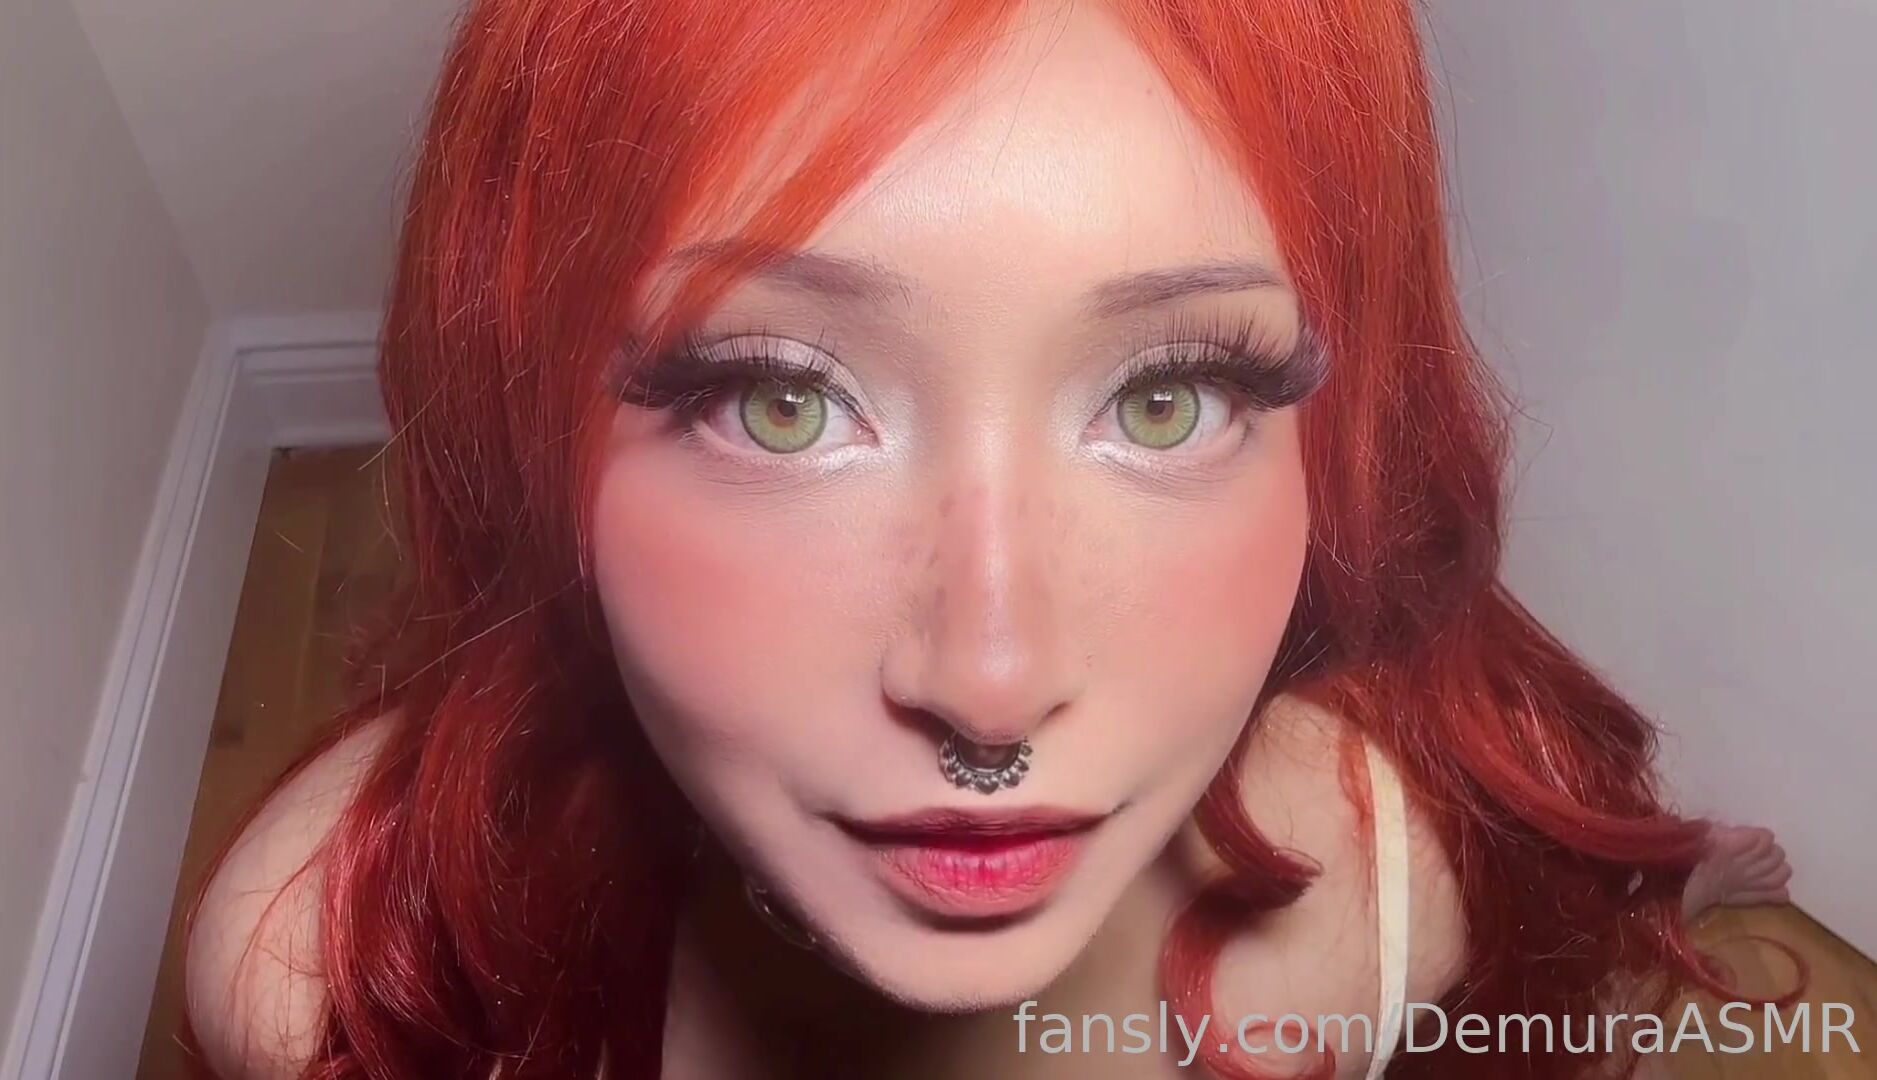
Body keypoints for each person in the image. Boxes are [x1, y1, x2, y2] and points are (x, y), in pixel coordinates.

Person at [182, 1, 1795, 1077]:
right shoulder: (335, 974)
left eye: (1169, 396)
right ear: (535, 429)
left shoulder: (1397, 884)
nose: (991, 685)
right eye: (777, 402)